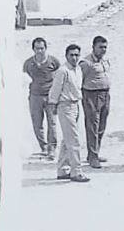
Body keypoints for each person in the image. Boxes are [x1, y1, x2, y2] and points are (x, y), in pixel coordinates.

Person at [48, 44, 90, 182]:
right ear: (66, 56)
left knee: (68, 139)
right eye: (71, 55)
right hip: (65, 106)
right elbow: (55, 90)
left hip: (76, 105)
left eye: (77, 55)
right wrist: (53, 104)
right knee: (74, 140)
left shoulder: (78, 69)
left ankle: (62, 170)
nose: (74, 57)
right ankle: (76, 171)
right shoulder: (62, 71)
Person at [23, 37, 59, 160]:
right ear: (33, 49)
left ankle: (52, 149)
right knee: (37, 123)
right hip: (34, 97)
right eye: (37, 48)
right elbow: (24, 79)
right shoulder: (28, 63)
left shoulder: (53, 61)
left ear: (45, 48)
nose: (39, 51)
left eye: (42, 48)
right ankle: (43, 147)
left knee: (52, 123)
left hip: (50, 96)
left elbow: (60, 78)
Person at [79, 36, 111, 168]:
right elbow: (80, 80)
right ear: (93, 47)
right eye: (100, 47)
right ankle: (93, 157)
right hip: (91, 95)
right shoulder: (86, 63)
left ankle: (94, 152)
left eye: (105, 47)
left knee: (102, 125)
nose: (103, 50)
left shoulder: (105, 60)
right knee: (92, 126)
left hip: (105, 94)